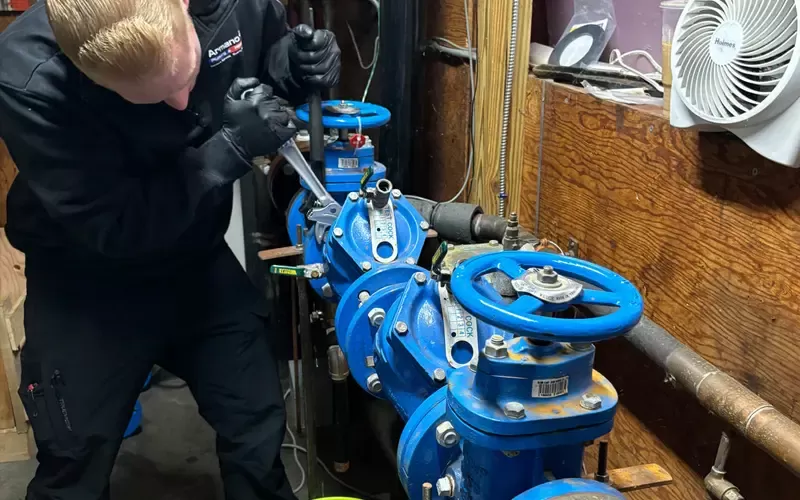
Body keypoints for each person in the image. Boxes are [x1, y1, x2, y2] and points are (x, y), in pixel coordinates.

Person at [0, 0, 340, 498]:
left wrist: (292, 65)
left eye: (191, 72)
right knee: (74, 459)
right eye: (153, 96)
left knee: (255, 422)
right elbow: (115, 227)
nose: (184, 102)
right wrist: (224, 154)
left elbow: (262, 60)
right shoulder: (28, 77)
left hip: (195, 262)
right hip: (87, 282)